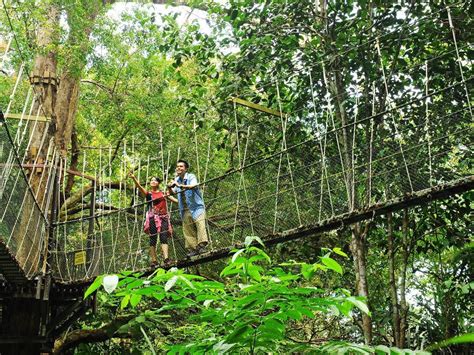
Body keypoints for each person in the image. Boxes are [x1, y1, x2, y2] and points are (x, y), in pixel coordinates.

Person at [129, 173, 177, 268]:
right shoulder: (149, 194)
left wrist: (184, 202)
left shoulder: (163, 193)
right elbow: (139, 187)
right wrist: (134, 178)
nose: (153, 182)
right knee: (153, 239)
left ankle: (166, 259)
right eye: (151, 180)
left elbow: (173, 197)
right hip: (152, 218)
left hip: (163, 217)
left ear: (158, 183)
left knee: (163, 237)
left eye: (155, 180)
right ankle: (154, 261)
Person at [168, 159, 208, 257]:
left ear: (186, 169)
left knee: (200, 224)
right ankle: (194, 249)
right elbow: (173, 192)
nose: (178, 168)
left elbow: (193, 185)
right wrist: (169, 187)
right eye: (177, 166)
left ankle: (202, 246)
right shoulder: (177, 180)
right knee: (188, 229)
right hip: (185, 209)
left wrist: (180, 185)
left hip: (197, 207)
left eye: (181, 166)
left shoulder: (191, 176)